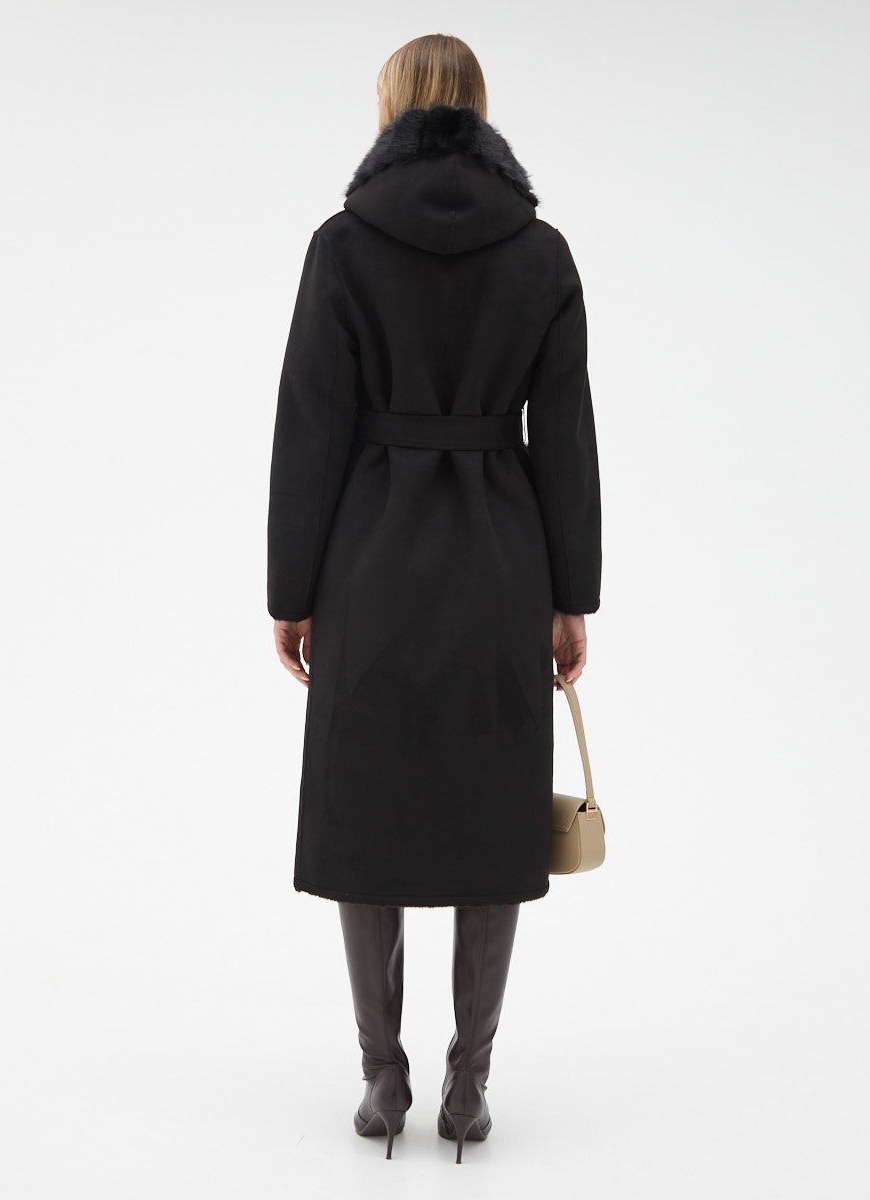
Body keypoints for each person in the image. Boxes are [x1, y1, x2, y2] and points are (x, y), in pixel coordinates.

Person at [267, 34, 602, 1163]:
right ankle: (469, 1084)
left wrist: (291, 590)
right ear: (479, 111)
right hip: (503, 561)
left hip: (366, 561)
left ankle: (382, 1075)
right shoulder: (542, 252)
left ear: (394, 110)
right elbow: (566, 436)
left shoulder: (343, 244)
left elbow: (310, 429)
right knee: (493, 812)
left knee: (367, 808)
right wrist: (572, 594)